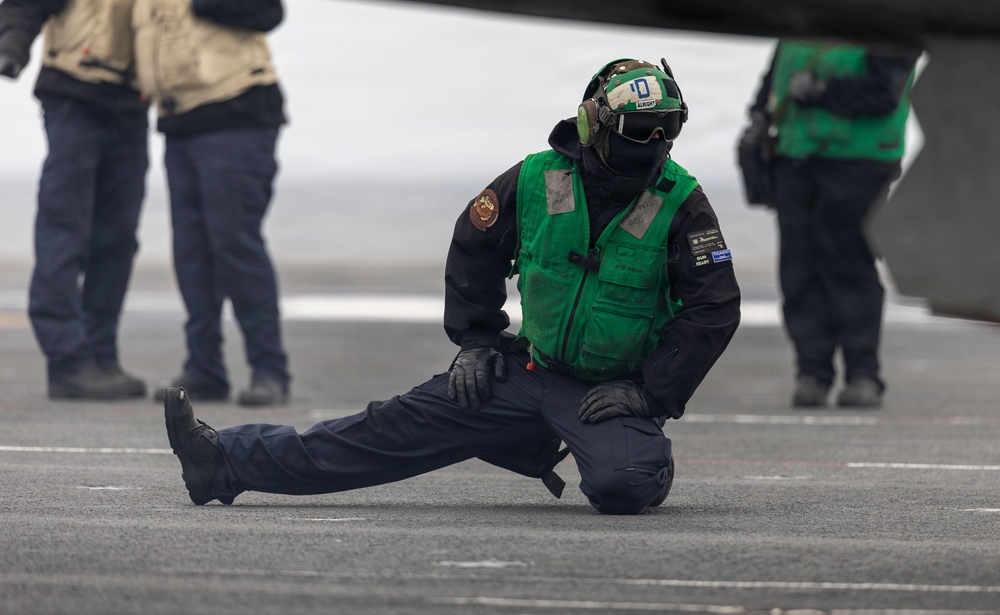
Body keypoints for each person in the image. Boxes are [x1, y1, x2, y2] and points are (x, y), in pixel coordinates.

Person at [164, 58, 741, 514]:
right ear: (595, 125)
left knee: (622, 487)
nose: (652, 148)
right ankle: (223, 462)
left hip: (605, 391)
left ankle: (643, 459)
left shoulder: (681, 202)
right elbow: (474, 245)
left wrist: (650, 394)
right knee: (387, 427)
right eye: (638, 133)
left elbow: (714, 308)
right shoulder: (537, 179)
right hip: (527, 370)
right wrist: (478, 341)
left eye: (664, 134)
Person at [132, 0, 292, 407]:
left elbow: (269, 9)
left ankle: (269, 370)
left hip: (237, 115)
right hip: (180, 125)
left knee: (235, 246)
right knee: (192, 251)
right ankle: (205, 369)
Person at [739, 40, 919, 408]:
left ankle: (862, 374)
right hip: (795, 156)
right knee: (799, 268)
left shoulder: (886, 21)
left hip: (858, 160)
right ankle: (812, 372)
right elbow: (776, 78)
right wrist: (759, 114)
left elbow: (883, 93)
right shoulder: (800, 19)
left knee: (848, 263)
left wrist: (821, 92)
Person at [0, 0, 149, 400]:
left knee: (118, 238)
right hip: (74, 96)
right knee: (65, 229)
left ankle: (101, 357)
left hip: (132, 105)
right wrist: (11, 48)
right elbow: (25, 1)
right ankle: (67, 361)